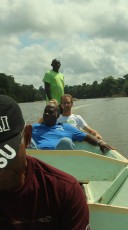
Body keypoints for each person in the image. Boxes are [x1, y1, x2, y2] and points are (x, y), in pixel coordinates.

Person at [0, 95, 90, 230]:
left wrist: (100, 141)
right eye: (45, 112)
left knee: (65, 142)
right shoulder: (36, 127)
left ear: (27, 136)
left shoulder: (65, 192)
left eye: (5, 155)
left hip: (58, 157)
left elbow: (88, 135)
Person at [32, 103, 113, 152]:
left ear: (57, 115)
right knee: (27, 141)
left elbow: (86, 137)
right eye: (45, 112)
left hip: (60, 159)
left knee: (65, 141)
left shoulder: (66, 128)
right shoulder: (34, 127)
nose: (46, 114)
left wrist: (100, 143)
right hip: (38, 159)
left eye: (50, 112)